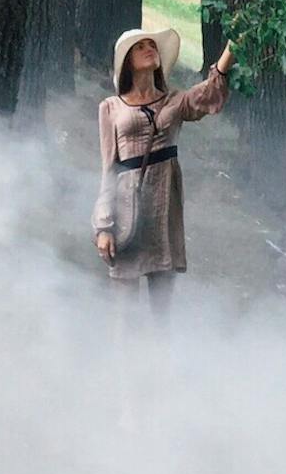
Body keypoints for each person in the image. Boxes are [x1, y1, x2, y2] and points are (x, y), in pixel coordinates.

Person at [93, 25, 235, 307]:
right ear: (127, 61)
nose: (150, 49)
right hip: (126, 208)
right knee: (125, 311)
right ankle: (122, 353)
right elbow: (108, 169)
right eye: (140, 46)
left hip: (164, 206)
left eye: (152, 45)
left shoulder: (175, 101)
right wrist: (104, 227)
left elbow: (208, 94)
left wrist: (233, 49)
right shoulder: (110, 107)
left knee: (162, 310)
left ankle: (159, 353)